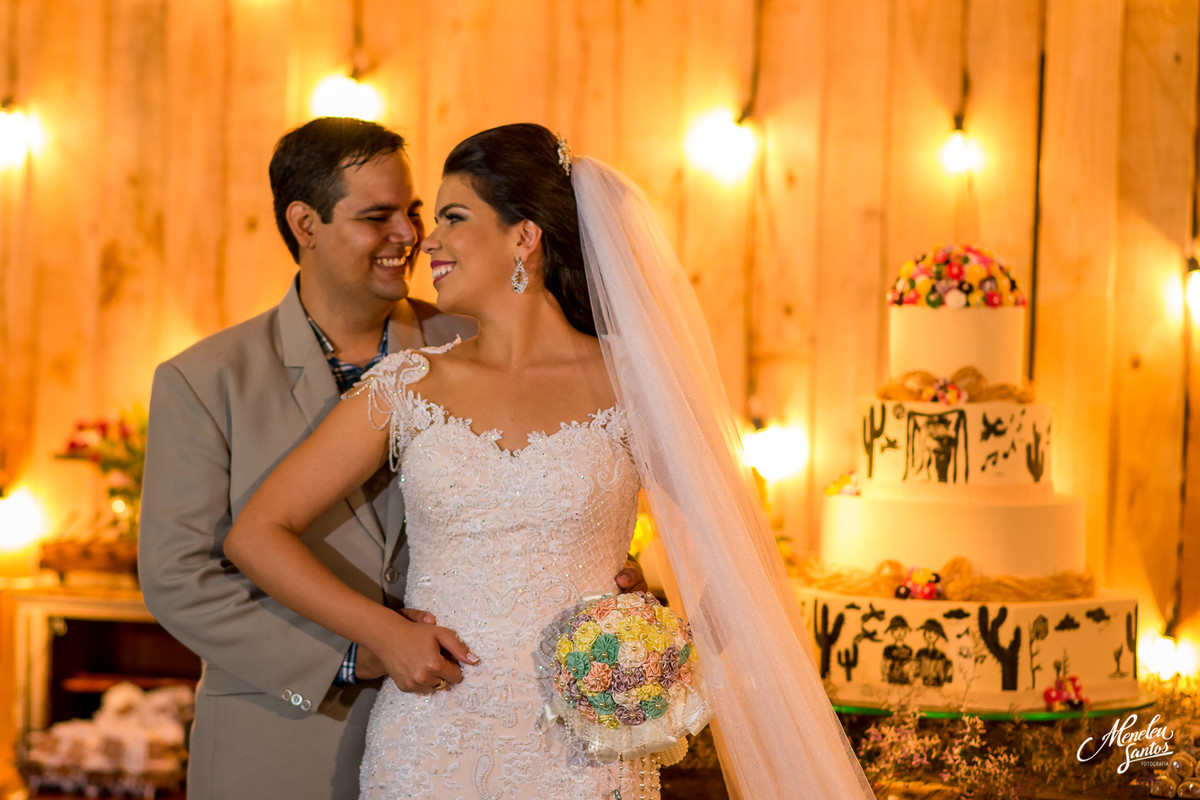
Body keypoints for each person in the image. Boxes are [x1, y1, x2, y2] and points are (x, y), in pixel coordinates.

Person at [224, 123, 873, 799]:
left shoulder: (632, 381)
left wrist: (664, 639)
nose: (428, 240)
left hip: (587, 749)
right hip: (430, 743)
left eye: (452, 217)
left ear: (524, 238)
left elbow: (740, 545)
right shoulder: (406, 384)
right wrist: (383, 632)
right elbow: (257, 533)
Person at [138, 117, 643, 800]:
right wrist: (356, 652)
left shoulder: (475, 334)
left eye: (416, 212)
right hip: (284, 731)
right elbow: (180, 579)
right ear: (305, 224)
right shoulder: (206, 380)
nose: (410, 235)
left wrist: (623, 571)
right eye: (380, 216)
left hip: (507, 723)